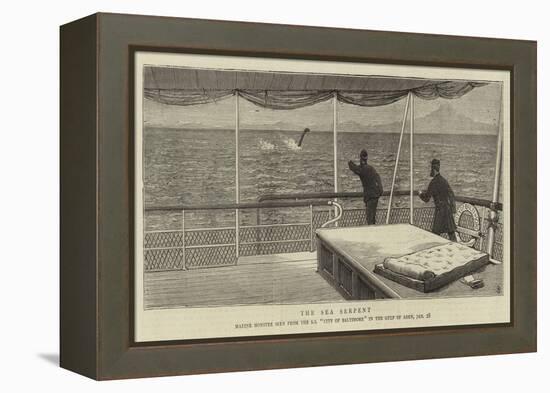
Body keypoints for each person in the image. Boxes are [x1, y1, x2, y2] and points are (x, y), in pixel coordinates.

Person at [418, 159, 458, 241]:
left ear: (433, 169)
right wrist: (453, 208)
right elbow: (451, 195)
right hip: (447, 209)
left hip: (440, 210)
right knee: (451, 232)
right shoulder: (444, 181)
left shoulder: (434, 182)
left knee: (435, 233)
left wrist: (420, 194)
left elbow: (426, 198)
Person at [348, 149, 383, 225]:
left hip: (370, 196)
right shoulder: (371, 168)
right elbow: (378, 177)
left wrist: (349, 162)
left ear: (360, 158)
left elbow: (355, 168)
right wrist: (380, 190)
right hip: (375, 195)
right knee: (372, 218)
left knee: (369, 218)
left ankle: (372, 234)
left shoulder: (363, 169)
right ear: (367, 158)